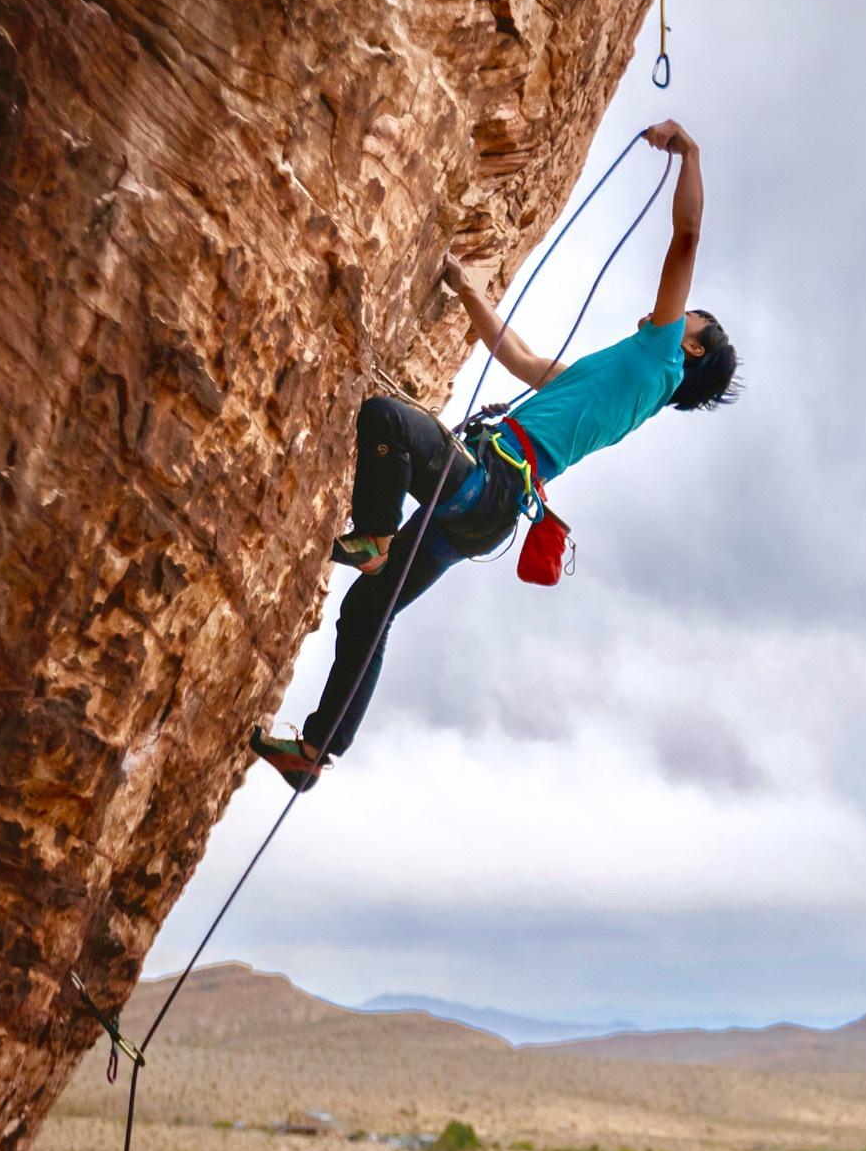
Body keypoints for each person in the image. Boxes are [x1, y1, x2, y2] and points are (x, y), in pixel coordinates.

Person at [249, 120, 738, 790]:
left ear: (691, 347)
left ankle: (374, 534)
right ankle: (314, 751)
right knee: (369, 610)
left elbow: (686, 239)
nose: (679, 315)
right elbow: (525, 359)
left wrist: (691, 153)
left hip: (490, 484)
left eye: (692, 320)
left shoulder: (658, 359)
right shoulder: (624, 383)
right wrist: (468, 291)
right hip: (486, 515)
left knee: (386, 418)